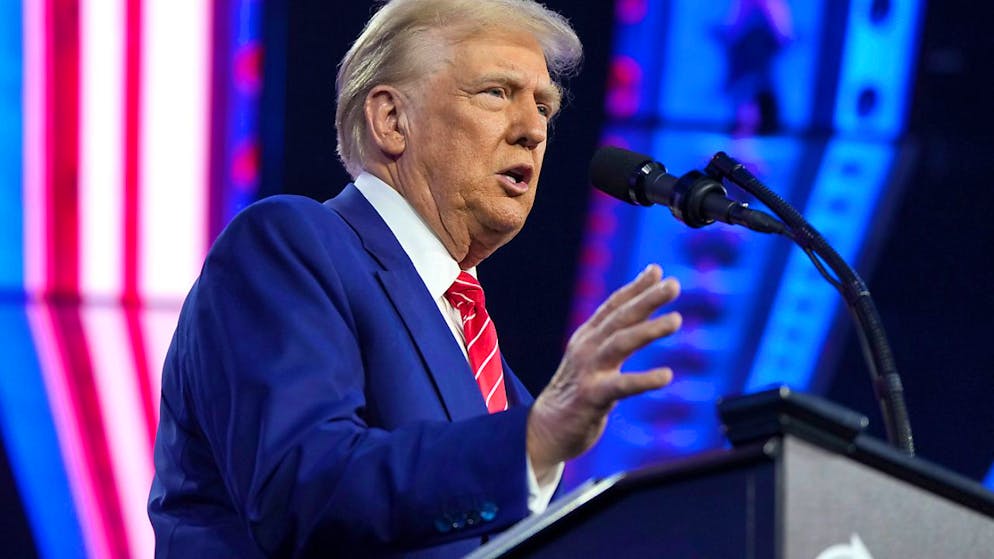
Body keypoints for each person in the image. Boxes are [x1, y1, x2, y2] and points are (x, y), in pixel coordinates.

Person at [148, 0, 682, 557]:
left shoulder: (504, 383)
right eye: (497, 92)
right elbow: (301, 489)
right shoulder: (289, 246)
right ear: (391, 120)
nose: (532, 130)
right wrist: (532, 441)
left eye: (543, 106)